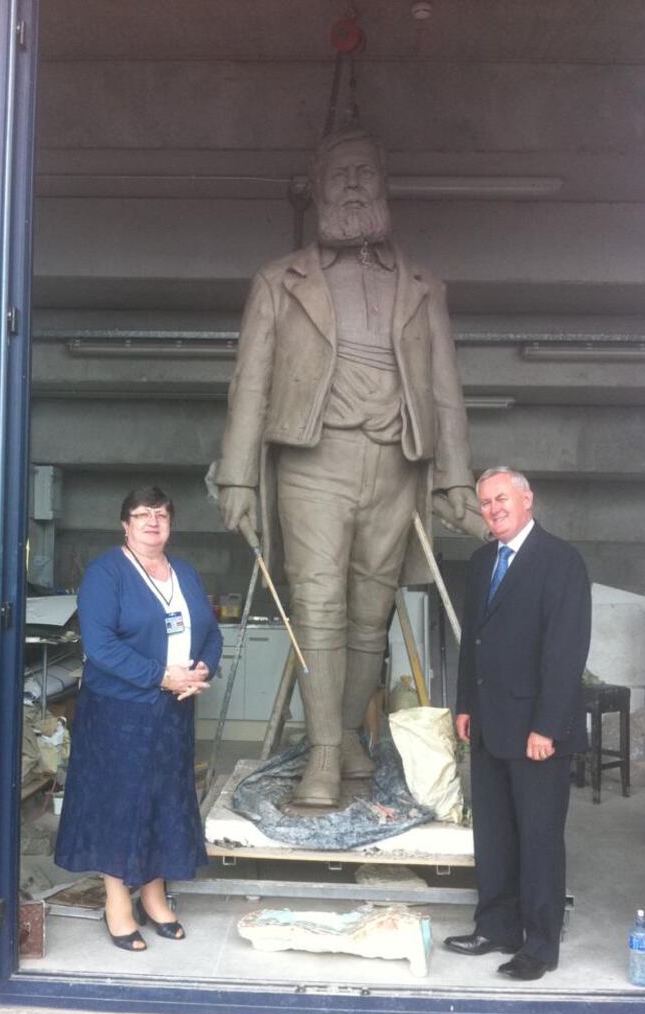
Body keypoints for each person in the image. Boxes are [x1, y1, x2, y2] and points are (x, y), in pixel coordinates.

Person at [215, 126, 484, 807]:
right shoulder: (280, 282)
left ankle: (347, 737)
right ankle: (326, 755)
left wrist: (455, 476)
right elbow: (250, 383)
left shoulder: (424, 285)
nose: (355, 184)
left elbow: (447, 387)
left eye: (367, 172)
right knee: (320, 607)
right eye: (342, 174)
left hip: (395, 466)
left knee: (371, 612)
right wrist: (239, 476)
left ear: (384, 185)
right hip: (314, 464)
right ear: (317, 188)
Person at [55, 486, 222, 951]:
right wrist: (161, 677)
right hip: (118, 712)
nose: (153, 522)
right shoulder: (107, 573)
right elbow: (101, 646)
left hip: (173, 712)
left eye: (162, 515)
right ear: (125, 524)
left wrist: (204, 667)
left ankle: (153, 893)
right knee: (121, 803)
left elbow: (211, 632)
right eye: (142, 515)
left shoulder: (183, 572)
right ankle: (117, 902)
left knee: (165, 800)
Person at [444, 467, 591, 981]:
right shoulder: (482, 560)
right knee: (496, 835)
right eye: (485, 503)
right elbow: (473, 644)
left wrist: (547, 727)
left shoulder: (561, 561)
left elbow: (566, 652)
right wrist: (464, 704)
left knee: (539, 839)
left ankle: (540, 944)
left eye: (501, 498)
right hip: (488, 725)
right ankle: (496, 927)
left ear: (527, 499)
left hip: (536, 733)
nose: (493, 509)